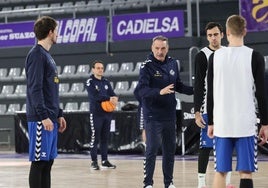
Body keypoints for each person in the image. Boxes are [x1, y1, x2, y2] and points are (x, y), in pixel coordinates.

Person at [207, 15, 268, 188]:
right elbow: (261, 95)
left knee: (220, 172)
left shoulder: (215, 57)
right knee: (246, 172)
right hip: (245, 123)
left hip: (222, 123)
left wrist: (211, 122)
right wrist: (265, 123)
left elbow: (210, 93)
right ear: (245, 31)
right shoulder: (254, 56)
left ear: (226, 33)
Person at [136, 35, 194, 188]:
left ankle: (169, 183)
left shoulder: (173, 63)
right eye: (157, 48)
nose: (160, 51)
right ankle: (147, 183)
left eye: (163, 48)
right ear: (152, 48)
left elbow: (178, 86)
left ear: (167, 49)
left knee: (169, 151)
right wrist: (159, 92)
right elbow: (141, 90)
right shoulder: (146, 66)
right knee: (152, 149)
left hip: (169, 115)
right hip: (153, 115)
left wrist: (196, 90)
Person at [25, 16, 67, 188]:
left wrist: (59, 113)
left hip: (50, 117)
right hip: (40, 119)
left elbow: (50, 90)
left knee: (48, 162)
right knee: (39, 162)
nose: (57, 34)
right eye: (56, 30)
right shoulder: (36, 55)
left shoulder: (47, 56)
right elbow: (35, 89)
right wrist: (43, 116)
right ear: (50, 32)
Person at [194, 22, 233, 188]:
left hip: (228, 108)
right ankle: (201, 183)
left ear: (222, 34)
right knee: (206, 146)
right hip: (208, 108)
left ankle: (228, 182)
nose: (213, 38)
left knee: (227, 145)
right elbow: (198, 87)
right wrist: (197, 112)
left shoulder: (230, 53)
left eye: (216, 34)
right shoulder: (202, 55)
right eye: (210, 35)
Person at [85, 60, 118, 170]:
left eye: (102, 68)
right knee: (95, 138)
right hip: (96, 113)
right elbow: (95, 96)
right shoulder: (90, 82)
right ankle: (94, 162)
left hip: (107, 114)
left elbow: (112, 94)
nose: (100, 70)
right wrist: (109, 98)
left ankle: (104, 160)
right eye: (98, 68)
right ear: (93, 69)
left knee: (105, 138)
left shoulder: (106, 82)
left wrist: (115, 99)